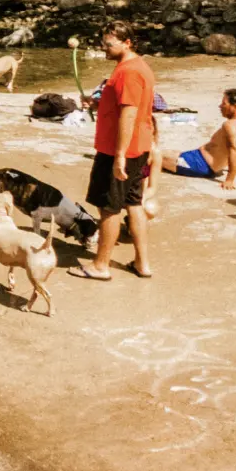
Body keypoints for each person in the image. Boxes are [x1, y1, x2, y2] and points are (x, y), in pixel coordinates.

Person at [74, 21, 154, 280]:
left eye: (109, 44)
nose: (104, 48)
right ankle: (142, 263)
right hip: (138, 147)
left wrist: (119, 156)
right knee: (134, 203)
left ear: (127, 42)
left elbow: (128, 116)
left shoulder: (128, 71)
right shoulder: (137, 66)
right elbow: (126, 107)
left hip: (120, 151)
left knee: (109, 208)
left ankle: (101, 265)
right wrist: (98, 104)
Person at [161, 89, 236, 188]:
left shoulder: (229, 125)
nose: (220, 106)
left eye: (224, 103)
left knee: (154, 156)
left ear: (235, 107)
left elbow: (234, 151)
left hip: (199, 165)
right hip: (198, 158)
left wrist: (229, 180)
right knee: (167, 152)